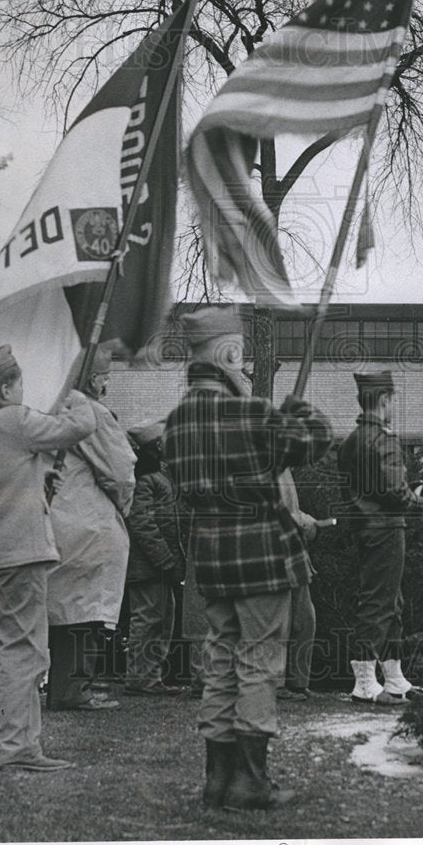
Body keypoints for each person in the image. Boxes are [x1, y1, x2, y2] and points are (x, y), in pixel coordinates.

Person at [163, 307, 333, 811]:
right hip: (261, 555)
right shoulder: (252, 414)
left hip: (211, 559)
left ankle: (216, 780)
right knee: (258, 664)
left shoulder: (177, 421)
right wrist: (299, 413)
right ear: (226, 352)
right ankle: (252, 782)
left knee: (219, 662)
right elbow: (316, 440)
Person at [0, 344, 96, 771]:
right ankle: (17, 748)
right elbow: (80, 426)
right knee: (24, 653)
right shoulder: (14, 420)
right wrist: (76, 390)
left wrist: (34, 479)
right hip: (19, 554)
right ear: (7, 386)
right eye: (19, 383)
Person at [46, 348, 136, 712]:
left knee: (56, 606)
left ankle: (50, 685)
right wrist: (124, 508)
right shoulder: (92, 413)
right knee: (84, 608)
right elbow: (120, 471)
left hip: (51, 515)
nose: (107, 383)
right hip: (87, 521)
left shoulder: (47, 406)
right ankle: (72, 689)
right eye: (104, 375)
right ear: (93, 378)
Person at [337, 371, 423, 706]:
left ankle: (394, 678)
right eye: (393, 400)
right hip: (387, 529)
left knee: (389, 600)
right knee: (380, 602)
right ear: (385, 400)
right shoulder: (385, 440)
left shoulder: (349, 442)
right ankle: (364, 681)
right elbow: (395, 492)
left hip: (363, 528)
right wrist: (417, 500)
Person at [124, 419, 186, 696]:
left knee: (158, 620)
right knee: (149, 621)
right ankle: (141, 678)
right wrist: (165, 560)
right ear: (159, 445)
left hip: (153, 565)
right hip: (150, 566)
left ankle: (149, 677)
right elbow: (142, 523)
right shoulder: (149, 479)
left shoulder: (156, 477)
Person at [276, 468, 335, 702]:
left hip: (296, 554)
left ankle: (298, 681)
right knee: (278, 622)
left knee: (304, 619)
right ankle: (277, 682)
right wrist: (305, 522)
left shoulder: (283, 465)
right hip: (276, 553)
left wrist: (305, 520)